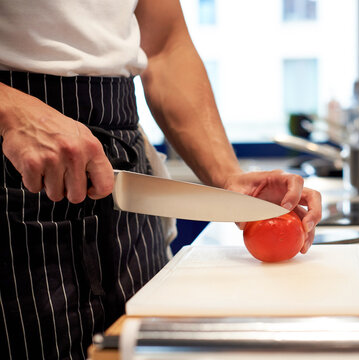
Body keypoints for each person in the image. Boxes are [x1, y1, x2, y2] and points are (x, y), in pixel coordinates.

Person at [0, 0, 322, 359]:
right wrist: (10, 109)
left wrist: (229, 174)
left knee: (145, 347)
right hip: (15, 166)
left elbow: (166, 47)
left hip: (126, 173)